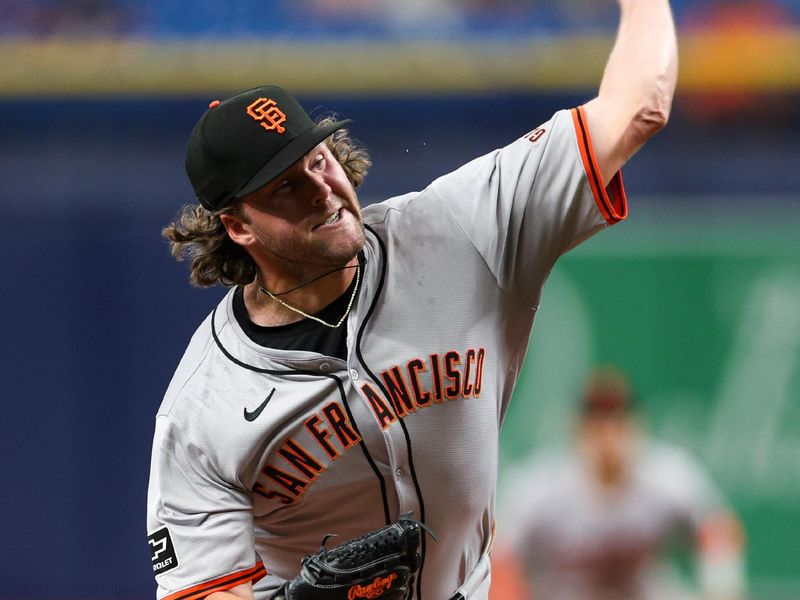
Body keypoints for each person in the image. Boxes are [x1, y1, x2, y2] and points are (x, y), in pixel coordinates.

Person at [145, 1, 678, 598]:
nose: (324, 191)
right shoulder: (203, 410)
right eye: (287, 187)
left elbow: (640, 107)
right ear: (239, 226)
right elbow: (206, 588)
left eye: (318, 159)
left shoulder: (460, 230)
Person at [493, 367, 746, 600]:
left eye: (618, 420)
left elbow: (718, 531)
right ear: (578, 429)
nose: (609, 434)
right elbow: (499, 559)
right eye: (598, 422)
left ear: (638, 425)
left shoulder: (668, 476)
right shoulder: (540, 487)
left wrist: (721, 588)